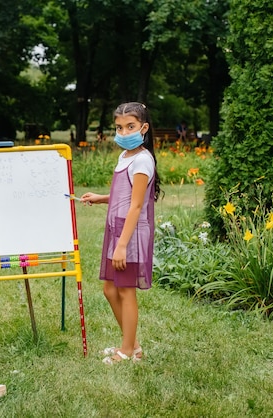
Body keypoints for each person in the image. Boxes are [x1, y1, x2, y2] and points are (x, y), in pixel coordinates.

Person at [81, 102, 161, 364]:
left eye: (131, 127)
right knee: (110, 290)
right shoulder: (125, 157)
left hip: (131, 234)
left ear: (144, 128)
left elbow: (137, 205)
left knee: (125, 290)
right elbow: (123, 196)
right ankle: (133, 345)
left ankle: (127, 352)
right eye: (119, 127)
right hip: (117, 227)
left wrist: (123, 245)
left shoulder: (142, 161)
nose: (124, 133)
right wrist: (100, 198)